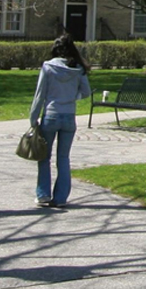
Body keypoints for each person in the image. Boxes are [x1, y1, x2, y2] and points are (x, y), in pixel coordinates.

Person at [28, 33, 92, 208]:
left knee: (44, 156)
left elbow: (39, 95)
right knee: (63, 157)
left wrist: (33, 118)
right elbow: (86, 92)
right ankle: (61, 197)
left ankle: (43, 194)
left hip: (51, 115)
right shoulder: (77, 68)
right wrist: (72, 97)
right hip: (69, 116)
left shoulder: (48, 67)